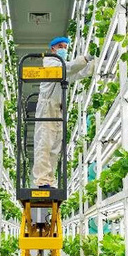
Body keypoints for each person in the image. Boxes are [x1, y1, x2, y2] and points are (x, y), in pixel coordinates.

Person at [32, 36, 95, 188]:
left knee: (54, 147)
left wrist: (94, 61)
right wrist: (85, 58)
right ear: (52, 48)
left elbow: (78, 73)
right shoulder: (50, 62)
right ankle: (41, 180)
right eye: (60, 46)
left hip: (57, 110)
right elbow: (67, 69)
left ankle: (49, 180)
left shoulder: (63, 66)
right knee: (44, 144)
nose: (63, 50)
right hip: (47, 109)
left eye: (65, 47)